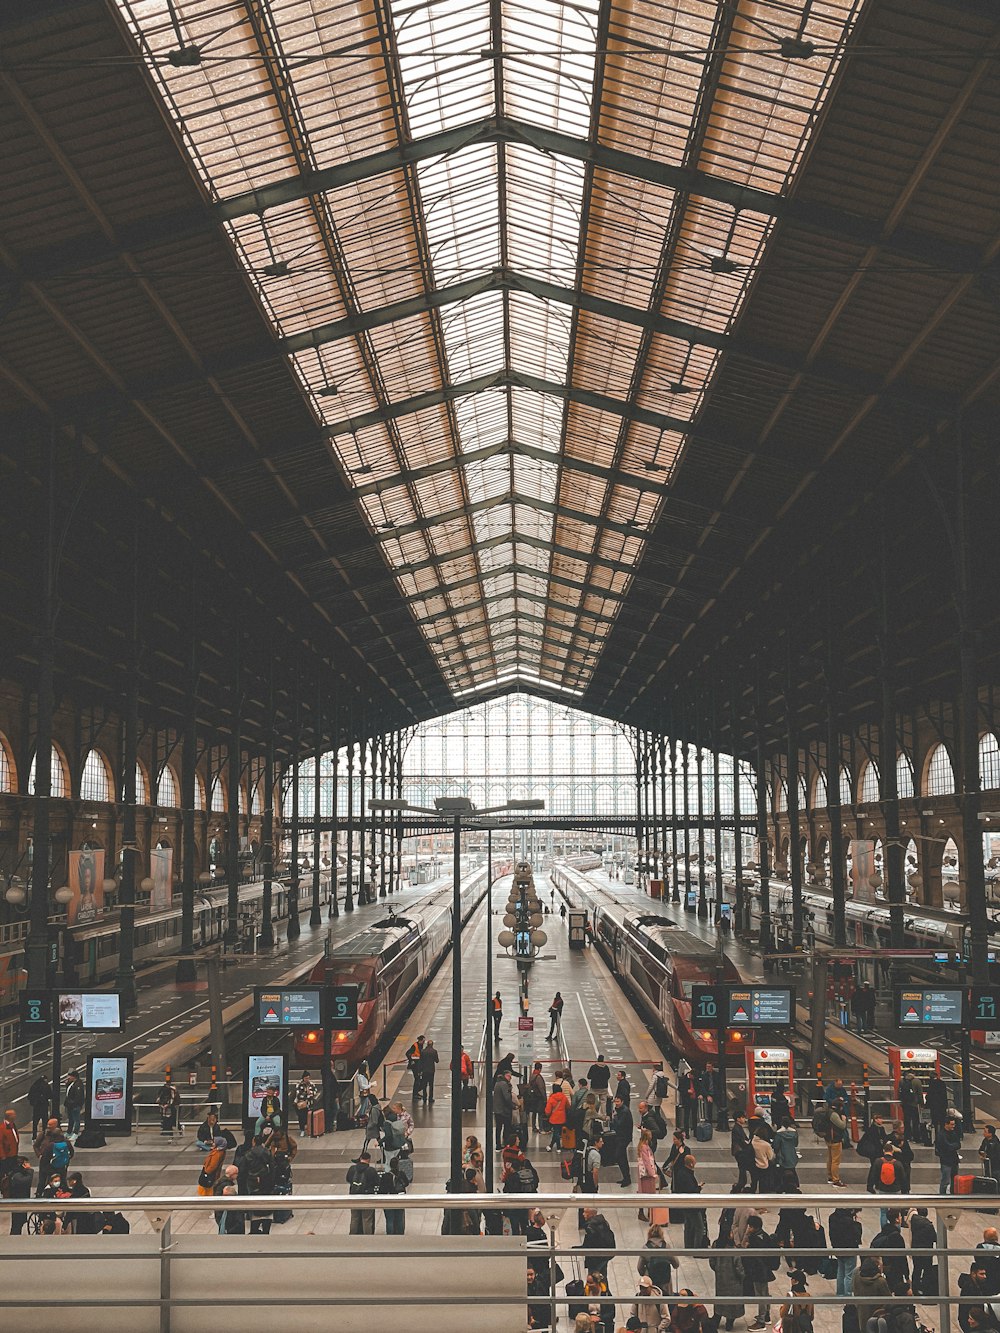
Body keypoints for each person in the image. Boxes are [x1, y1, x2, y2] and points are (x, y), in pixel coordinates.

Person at [709, 1219, 745, 1330]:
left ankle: (716, 1319)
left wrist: (718, 1271)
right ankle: (729, 1324)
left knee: (720, 1301)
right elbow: (739, 1268)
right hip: (734, 1282)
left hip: (721, 1280)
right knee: (732, 1304)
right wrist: (743, 1277)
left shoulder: (716, 1245)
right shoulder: (734, 1250)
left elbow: (712, 1262)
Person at [743, 1214, 776, 1330]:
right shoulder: (764, 1236)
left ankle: (761, 1321)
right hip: (765, 1270)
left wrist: (747, 1247)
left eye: (750, 1227)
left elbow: (752, 1257)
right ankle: (766, 1315)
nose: (748, 1229)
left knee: (760, 1295)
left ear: (754, 1227)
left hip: (758, 1271)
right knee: (765, 1292)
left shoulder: (754, 1239)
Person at [672, 1152, 708, 1250]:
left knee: (688, 1226)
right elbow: (691, 1190)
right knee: (699, 1227)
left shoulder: (681, 1172)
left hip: (685, 1204)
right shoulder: (687, 1175)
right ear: (691, 1164)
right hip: (692, 1206)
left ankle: (688, 1246)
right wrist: (699, 1187)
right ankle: (697, 1248)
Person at [870, 1208, 909, 1296]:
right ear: (897, 1219)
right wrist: (907, 1276)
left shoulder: (883, 1233)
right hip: (896, 1269)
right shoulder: (897, 1237)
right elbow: (902, 1257)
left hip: (886, 1267)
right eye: (900, 1216)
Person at [638, 1221, 680, 1297]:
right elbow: (676, 1264)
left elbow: (639, 1268)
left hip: (651, 1281)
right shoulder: (667, 1247)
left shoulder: (645, 1248)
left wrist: (645, 1273)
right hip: (666, 1281)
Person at [830, 1205, 863, 1297]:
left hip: (838, 1248)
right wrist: (856, 1223)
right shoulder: (849, 1222)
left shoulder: (832, 1217)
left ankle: (840, 1293)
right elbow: (856, 1236)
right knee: (849, 1274)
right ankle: (847, 1294)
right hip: (849, 1249)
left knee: (840, 1271)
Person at [576, 1207, 616, 1279]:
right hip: (605, 1255)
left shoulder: (591, 1228)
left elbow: (588, 1246)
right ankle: (604, 1289)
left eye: (585, 1212)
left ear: (591, 1214)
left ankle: (597, 1289)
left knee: (593, 1278)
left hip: (596, 1259)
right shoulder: (603, 1222)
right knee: (603, 1276)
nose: (583, 1214)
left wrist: (574, 1250)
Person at [346, 1150, 380, 1234]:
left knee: (354, 1218)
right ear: (369, 1160)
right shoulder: (371, 1170)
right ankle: (367, 1238)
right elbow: (377, 1182)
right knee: (367, 1219)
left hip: (353, 1197)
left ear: (360, 1158)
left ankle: (353, 1236)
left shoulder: (352, 1169)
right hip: (367, 1197)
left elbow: (348, 1179)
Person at [960, 1264, 998, 1333]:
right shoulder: (968, 1289)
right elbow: (963, 1313)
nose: (985, 1276)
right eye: (981, 1274)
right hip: (974, 1325)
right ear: (973, 1274)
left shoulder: (980, 1285)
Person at [909, 1207, 937, 1298]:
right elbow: (935, 1237)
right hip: (926, 1251)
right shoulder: (928, 1225)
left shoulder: (914, 1221)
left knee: (917, 1269)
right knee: (927, 1270)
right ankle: (926, 1288)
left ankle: (914, 1288)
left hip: (916, 1249)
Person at [610, 1094, 634, 1187]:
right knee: (622, 1157)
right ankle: (626, 1177)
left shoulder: (624, 1111)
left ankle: (627, 1178)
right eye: (615, 1101)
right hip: (620, 1136)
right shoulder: (619, 1110)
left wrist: (614, 1117)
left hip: (624, 1137)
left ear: (622, 1102)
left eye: (618, 1101)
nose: (616, 1103)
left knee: (619, 1156)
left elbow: (620, 1123)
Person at [936, 1114, 963, 1195]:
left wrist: (952, 1146)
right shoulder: (941, 1135)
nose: (953, 1126)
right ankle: (942, 1196)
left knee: (954, 1180)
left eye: (954, 1124)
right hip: (946, 1161)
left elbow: (958, 1144)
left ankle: (953, 1194)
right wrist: (953, 1146)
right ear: (946, 1124)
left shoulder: (953, 1133)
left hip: (954, 1160)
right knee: (945, 1180)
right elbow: (946, 1146)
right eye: (951, 1124)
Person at [7, 1157, 34, 1235]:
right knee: (17, 1223)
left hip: (21, 1201)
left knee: (19, 1222)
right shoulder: (17, 1175)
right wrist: (30, 1170)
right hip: (17, 1202)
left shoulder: (20, 1173)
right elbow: (27, 1181)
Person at [826, 1099, 848, 1188]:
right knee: (835, 1161)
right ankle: (835, 1180)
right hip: (835, 1139)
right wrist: (844, 1120)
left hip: (829, 1138)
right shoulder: (834, 1115)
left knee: (830, 1159)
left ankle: (830, 1177)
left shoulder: (828, 1112)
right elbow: (842, 1125)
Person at [731, 1111, 754, 1193]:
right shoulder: (737, 1128)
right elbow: (742, 1140)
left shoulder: (739, 1127)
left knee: (742, 1170)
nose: (744, 1119)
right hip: (740, 1152)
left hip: (739, 1152)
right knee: (742, 1169)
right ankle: (739, 1186)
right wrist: (748, 1143)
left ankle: (740, 1185)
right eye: (743, 1117)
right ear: (738, 1119)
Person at [545, 1081, 570, 1152]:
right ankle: (550, 1146)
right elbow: (568, 1106)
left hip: (554, 1118)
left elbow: (548, 1110)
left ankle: (558, 1147)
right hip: (562, 1118)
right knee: (557, 1132)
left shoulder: (551, 1098)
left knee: (556, 1133)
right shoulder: (564, 1097)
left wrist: (547, 1115)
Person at [899, 1071, 924, 1143]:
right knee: (915, 1121)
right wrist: (921, 1104)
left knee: (907, 1121)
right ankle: (916, 1137)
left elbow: (900, 1092)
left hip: (905, 1104)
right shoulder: (917, 1081)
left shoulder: (902, 1081)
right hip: (914, 1105)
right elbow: (920, 1094)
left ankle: (907, 1136)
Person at [494, 1069, 514, 1151]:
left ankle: (498, 1144)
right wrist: (512, 1106)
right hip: (503, 1110)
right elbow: (507, 1098)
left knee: (498, 1128)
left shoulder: (497, 1083)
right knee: (506, 1127)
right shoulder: (504, 1084)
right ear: (505, 1076)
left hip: (497, 1109)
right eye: (509, 1076)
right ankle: (506, 1143)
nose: (510, 1078)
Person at [64, 1071, 85, 1139]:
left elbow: (78, 1096)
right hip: (70, 1105)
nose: (68, 1077)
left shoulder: (78, 1084)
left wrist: (74, 1103)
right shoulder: (72, 1083)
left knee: (76, 1119)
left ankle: (76, 1133)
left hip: (75, 1105)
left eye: (69, 1076)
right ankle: (69, 1132)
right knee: (71, 1119)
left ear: (74, 1076)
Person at [418, 1038, 439, 1105]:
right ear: (432, 1045)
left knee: (424, 1085)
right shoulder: (434, 1051)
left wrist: (420, 1070)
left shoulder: (423, 1051)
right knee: (431, 1085)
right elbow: (437, 1060)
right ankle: (430, 1098)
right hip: (431, 1070)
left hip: (424, 1070)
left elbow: (420, 1061)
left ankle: (424, 1097)